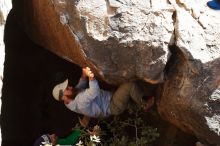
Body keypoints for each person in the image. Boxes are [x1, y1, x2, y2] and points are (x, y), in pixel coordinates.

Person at [52, 67, 154, 126]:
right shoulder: (80, 101)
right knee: (129, 86)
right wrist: (91, 77)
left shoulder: (68, 101)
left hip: (109, 100)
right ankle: (145, 104)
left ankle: (144, 108)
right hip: (112, 105)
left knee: (129, 101)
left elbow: (80, 86)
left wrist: (83, 75)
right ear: (63, 97)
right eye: (66, 89)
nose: (70, 87)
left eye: (67, 86)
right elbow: (94, 91)